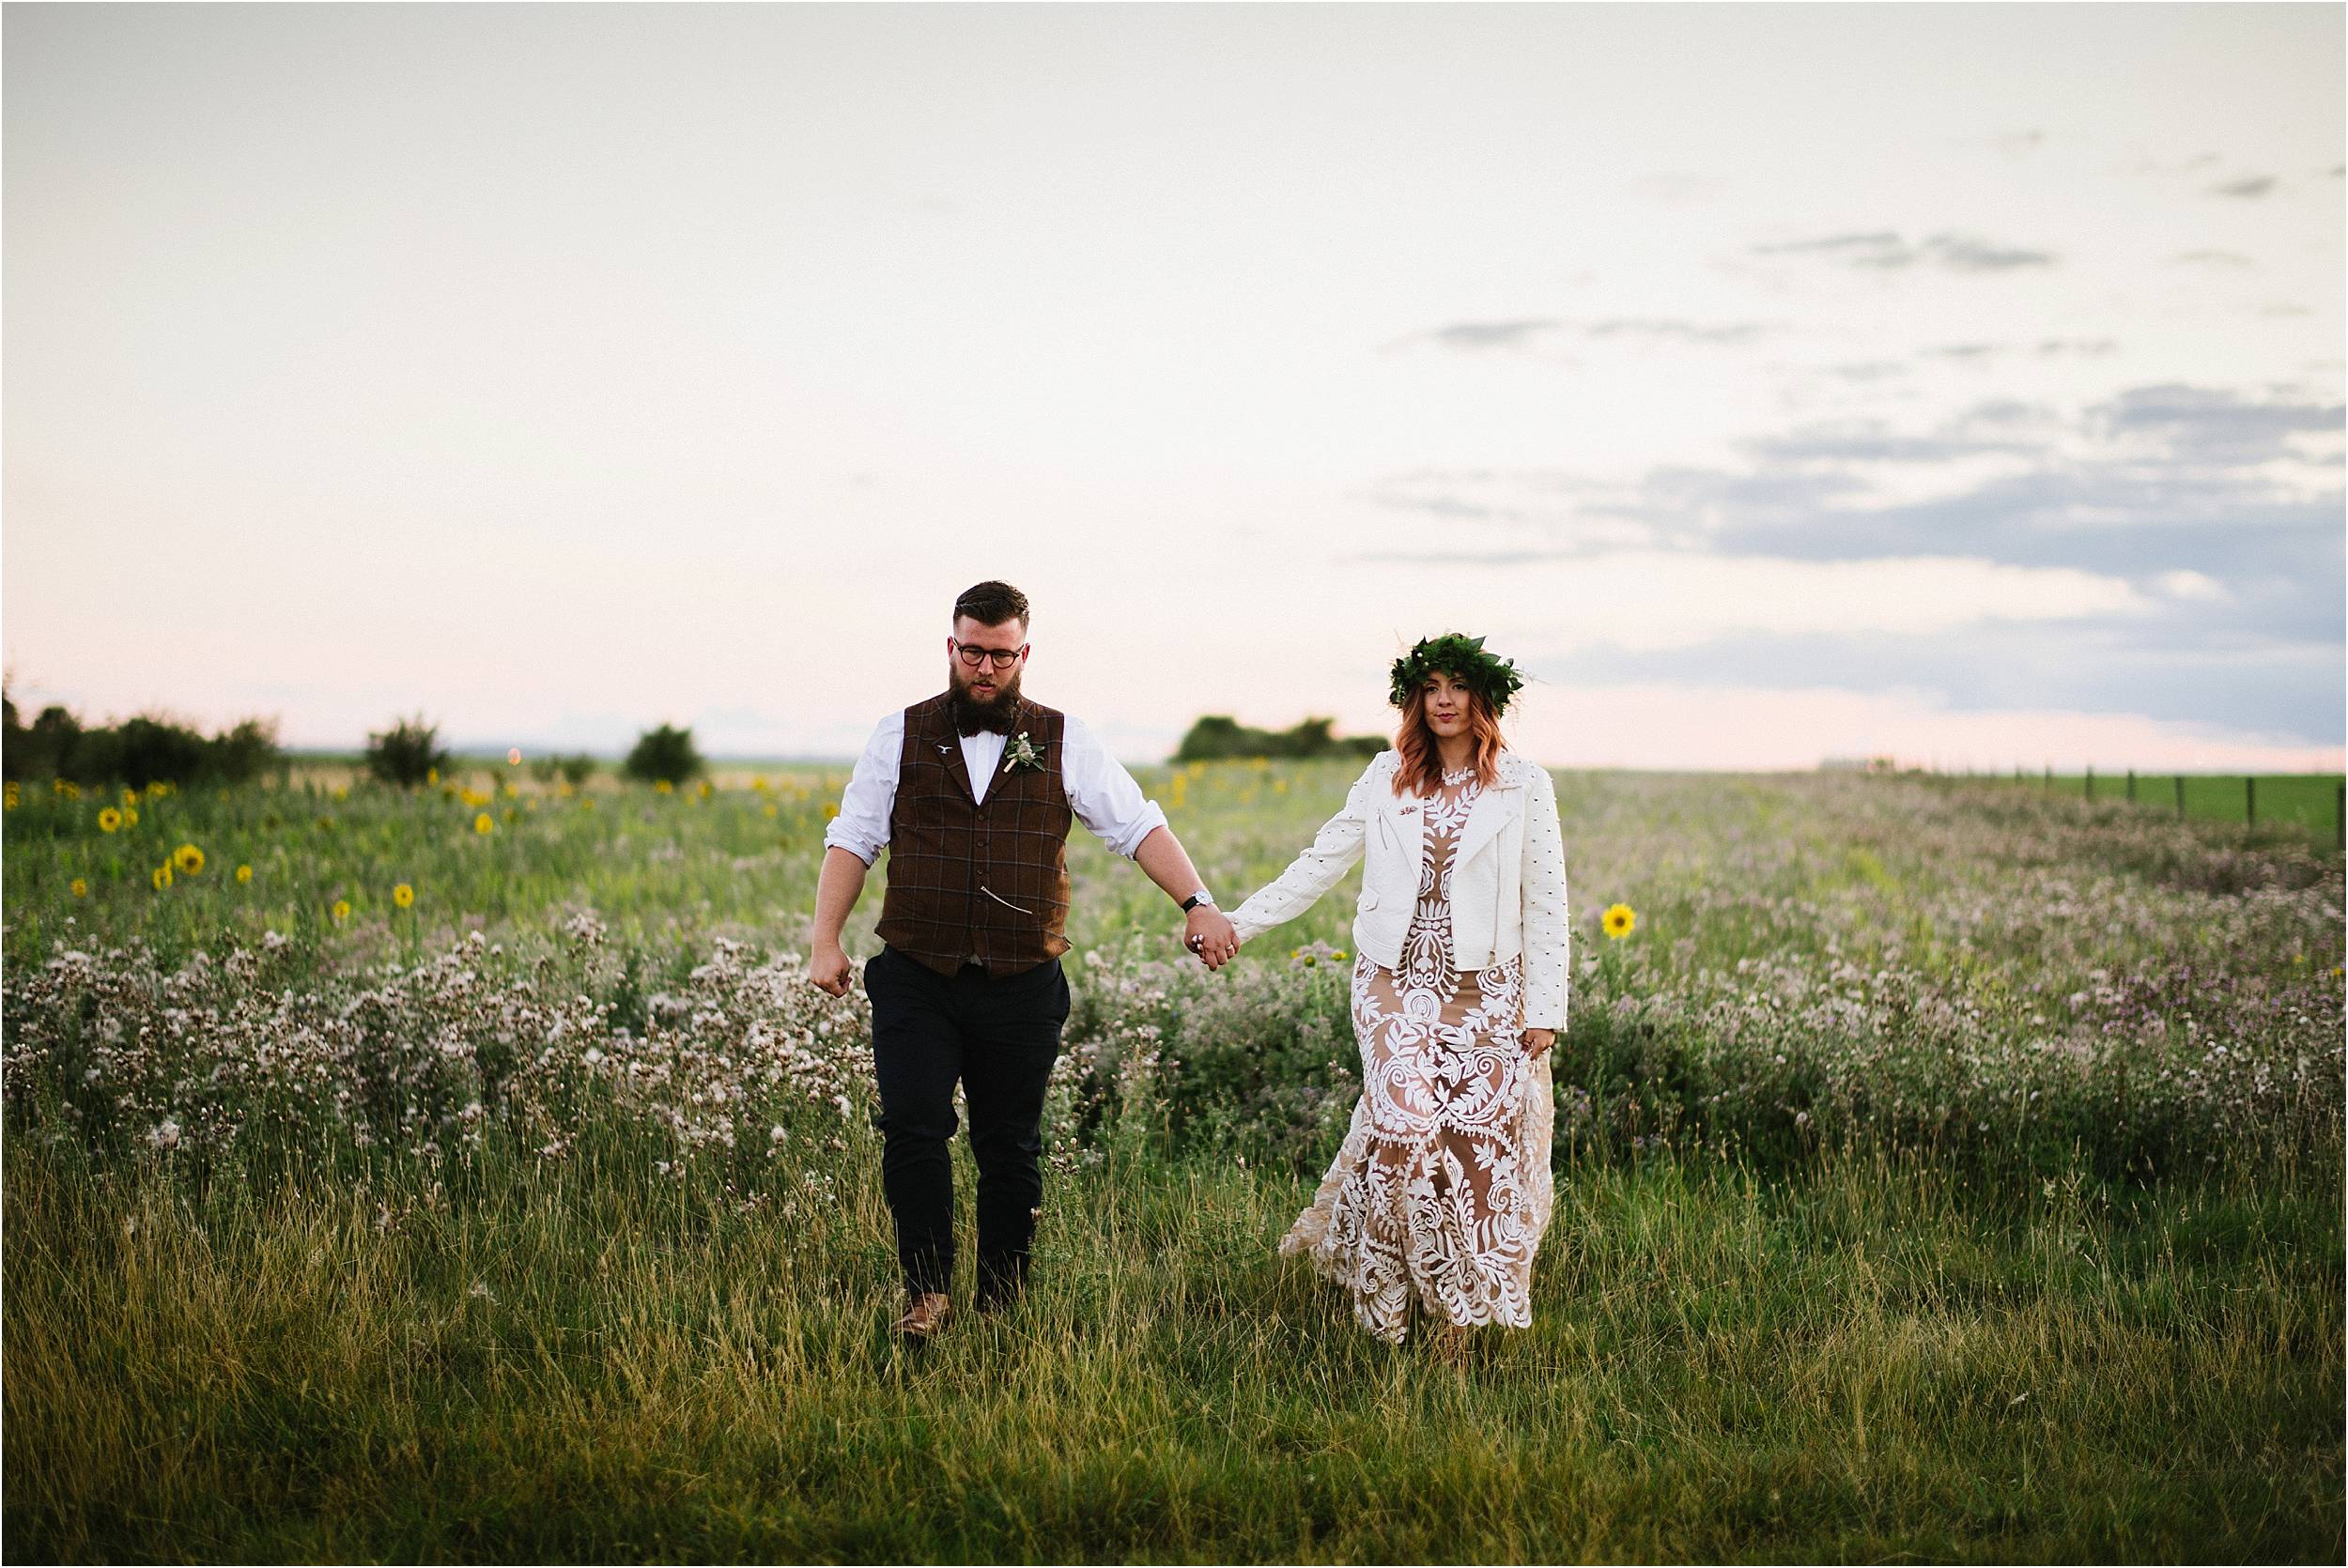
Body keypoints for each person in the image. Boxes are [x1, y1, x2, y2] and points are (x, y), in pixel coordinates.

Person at [811, 580, 1241, 1340]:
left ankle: (1000, 1302)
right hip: (917, 972)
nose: (985, 667)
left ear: (1023, 655)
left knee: (1009, 1147)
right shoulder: (898, 734)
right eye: (972, 651)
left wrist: (1197, 903)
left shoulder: (1066, 737)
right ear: (951, 647)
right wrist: (826, 940)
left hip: (1021, 982)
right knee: (913, 1130)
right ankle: (926, 1293)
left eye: (1000, 656)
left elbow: (1138, 825)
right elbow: (854, 837)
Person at [1227, 634, 1568, 1360]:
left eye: (1457, 686)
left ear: (1484, 698)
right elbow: (1319, 863)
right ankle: (1387, 1305)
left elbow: (1548, 900)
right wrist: (1236, 923)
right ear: (1415, 699)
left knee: (1471, 1152)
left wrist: (1545, 1009)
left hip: (1488, 996)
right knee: (1407, 1129)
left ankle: (1456, 1319)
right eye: (1430, 687)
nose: (1443, 700)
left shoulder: (1524, 784)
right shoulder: (1385, 777)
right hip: (1392, 987)